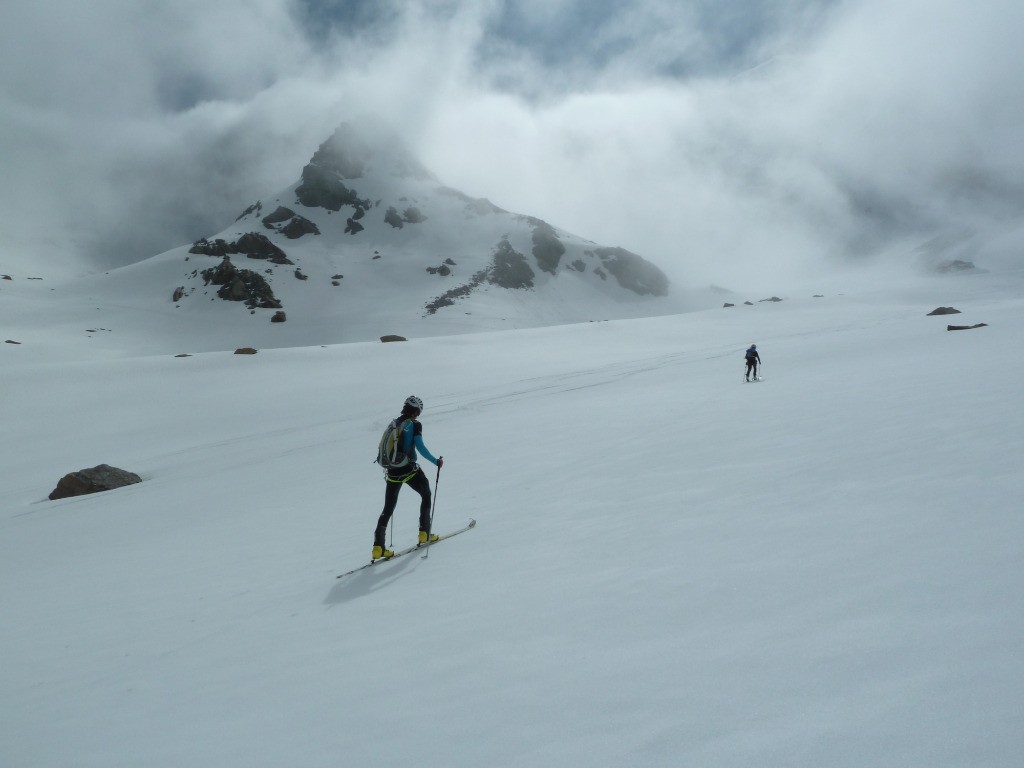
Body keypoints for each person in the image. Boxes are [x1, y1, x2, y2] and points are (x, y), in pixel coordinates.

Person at [372, 395, 444, 559]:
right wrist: (435, 461)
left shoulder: (394, 423)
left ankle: (378, 547)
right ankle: (424, 533)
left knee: (388, 508)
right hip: (408, 470)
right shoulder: (415, 424)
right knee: (426, 494)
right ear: (417, 411)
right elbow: (420, 446)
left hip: (392, 472)